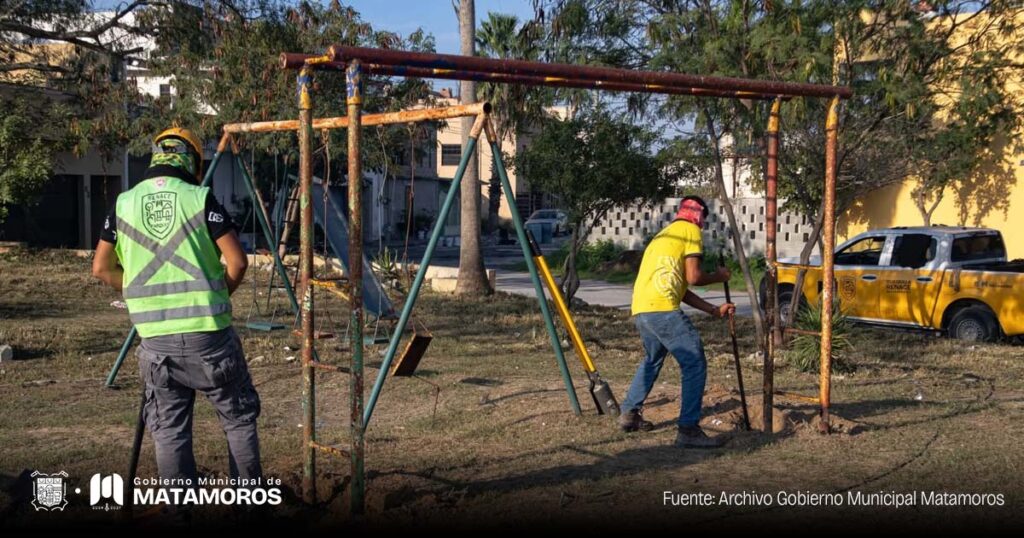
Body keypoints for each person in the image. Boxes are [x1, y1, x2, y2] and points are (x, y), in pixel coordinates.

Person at [92, 128, 261, 483]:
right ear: (193, 162)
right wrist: (215, 294)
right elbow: (238, 262)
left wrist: (144, 294)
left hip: (156, 343)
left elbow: (101, 268)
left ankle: (178, 512)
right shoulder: (199, 199)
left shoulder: (122, 204)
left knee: (169, 430)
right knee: (238, 419)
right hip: (210, 341)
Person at [620, 195, 735, 448]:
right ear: (700, 214)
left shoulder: (665, 236)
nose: (703, 222)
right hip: (661, 308)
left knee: (652, 359)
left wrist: (713, 310)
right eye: (704, 216)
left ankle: (629, 414)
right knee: (694, 361)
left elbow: (680, 287)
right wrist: (719, 276)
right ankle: (688, 430)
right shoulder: (690, 231)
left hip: (642, 307)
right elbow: (694, 277)